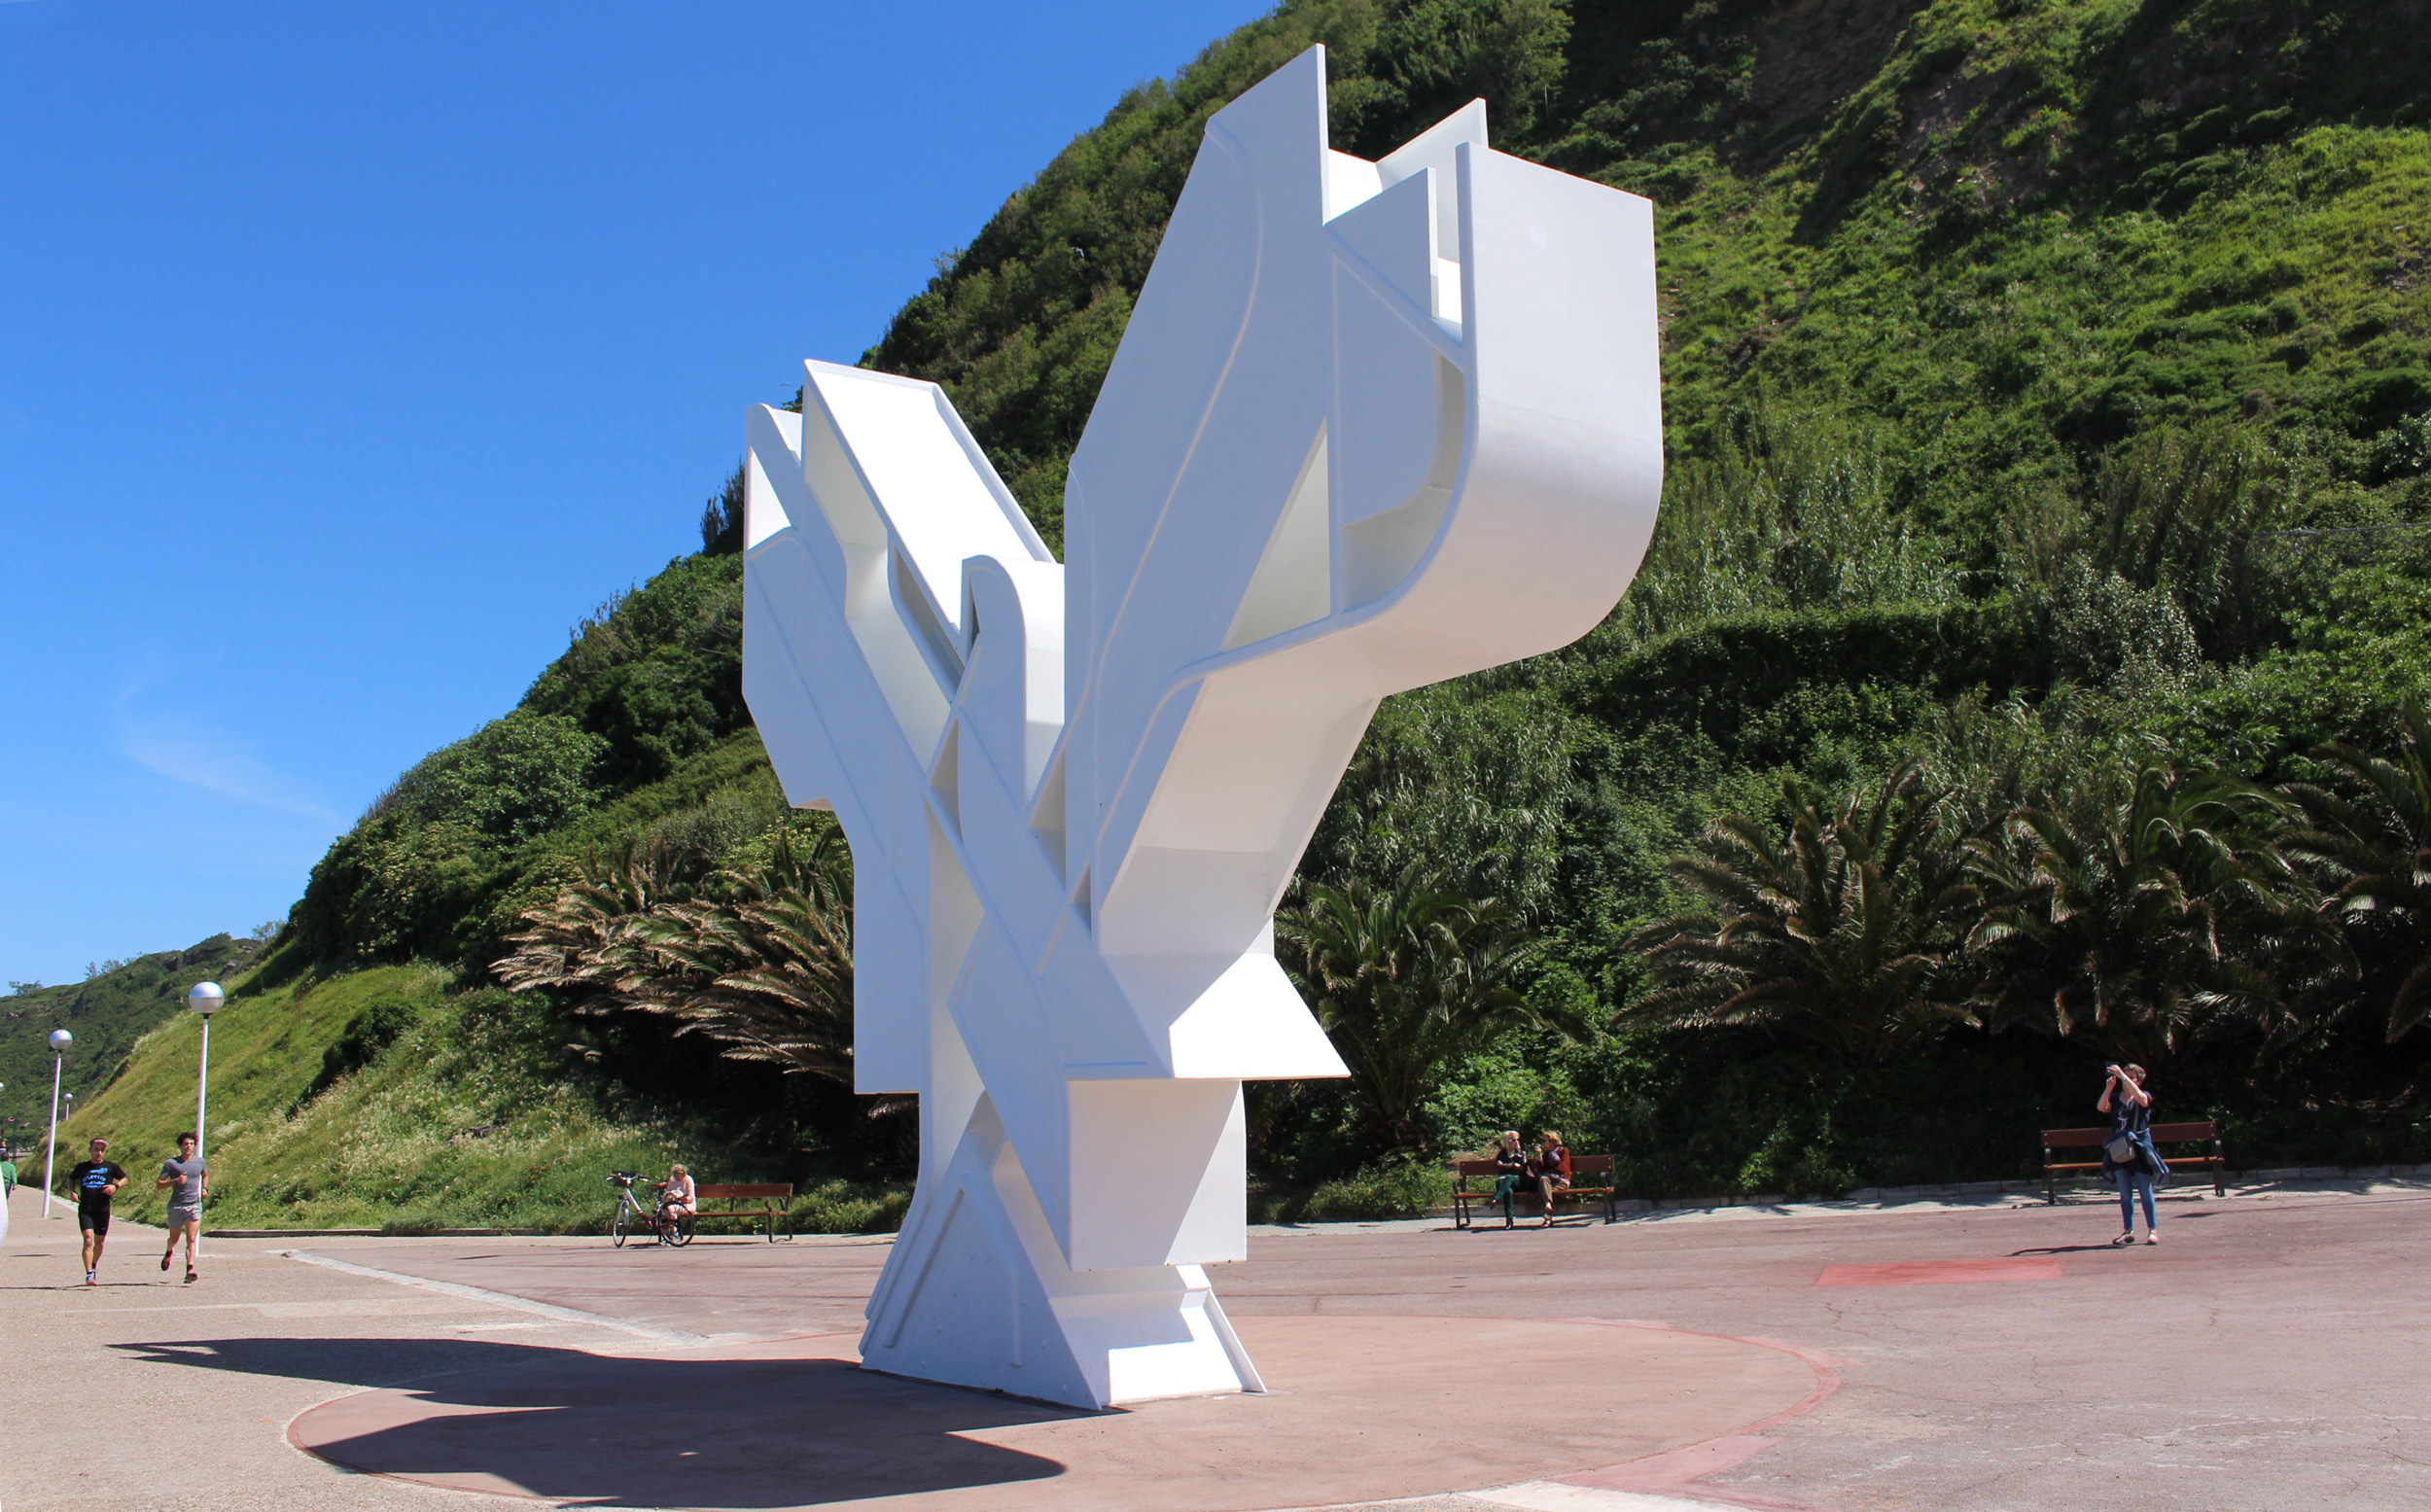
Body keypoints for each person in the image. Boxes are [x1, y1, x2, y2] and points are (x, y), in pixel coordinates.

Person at [2098, 1063, 2166, 1246]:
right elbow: (2102, 1107)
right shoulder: (2116, 1098)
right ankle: (2128, 1231)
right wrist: (2108, 1088)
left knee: (2145, 1191)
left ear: (2138, 1080)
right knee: (2125, 1193)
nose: (2125, 1080)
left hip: (2139, 1149)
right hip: (2120, 1149)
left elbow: (2143, 1100)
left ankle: (2152, 1230)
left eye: (2131, 1077)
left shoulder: (2143, 1097)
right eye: (2124, 1076)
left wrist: (2122, 1075)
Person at [67, 1138, 127, 1286]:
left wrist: (115, 1186)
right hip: (86, 1209)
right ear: (90, 1150)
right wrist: (72, 1191)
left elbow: (124, 1178)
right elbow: (72, 1178)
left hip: (102, 1209)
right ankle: (89, 1274)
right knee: (88, 1239)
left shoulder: (110, 1167)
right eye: (96, 1149)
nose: (99, 1153)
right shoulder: (82, 1167)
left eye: (101, 1150)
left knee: (99, 1242)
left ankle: (94, 1265)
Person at [157, 1132, 208, 1283]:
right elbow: (159, 1185)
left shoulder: (200, 1162)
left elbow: (205, 1174)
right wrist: (175, 1181)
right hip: (177, 1206)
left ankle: (189, 1270)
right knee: (175, 1237)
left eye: (191, 1144)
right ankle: (169, 1252)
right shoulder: (172, 1164)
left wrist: (205, 1189)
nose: (189, 1147)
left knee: (192, 1238)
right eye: (186, 1144)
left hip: (194, 1205)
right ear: (180, 1146)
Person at [1530, 1130, 1571, 1228]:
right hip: (1549, 1182)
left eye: (1544, 1141)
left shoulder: (1563, 1152)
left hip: (1562, 1181)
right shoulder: (1547, 1154)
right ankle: (1548, 1205)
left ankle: (1548, 1218)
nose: (1543, 1143)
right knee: (1544, 1181)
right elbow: (1541, 1170)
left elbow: (1562, 1168)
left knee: (1543, 1188)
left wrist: (1548, 1172)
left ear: (1552, 1141)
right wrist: (1539, 1156)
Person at [1488, 1131, 1528, 1223]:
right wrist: (1514, 1165)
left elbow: (1522, 1170)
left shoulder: (1522, 1153)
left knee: (1509, 1177)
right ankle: (1509, 1220)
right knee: (1508, 1191)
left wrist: (1508, 1165)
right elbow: (1499, 1167)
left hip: (1517, 1181)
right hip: (1502, 1181)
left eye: (1518, 1140)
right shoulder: (1502, 1154)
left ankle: (1496, 1198)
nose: (1516, 1142)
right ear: (1507, 1141)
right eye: (1514, 1140)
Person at [656, 1163, 696, 1234]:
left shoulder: (688, 1179)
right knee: (664, 1211)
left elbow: (691, 1197)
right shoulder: (671, 1180)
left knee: (670, 1209)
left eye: (680, 1175)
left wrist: (684, 1199)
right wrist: (671, 1197)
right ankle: (666, 1234)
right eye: (676, 1175)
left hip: (687, 1205)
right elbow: (668, 1193)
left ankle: (674, 1232)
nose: (678, 1177)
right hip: (673, 1204)